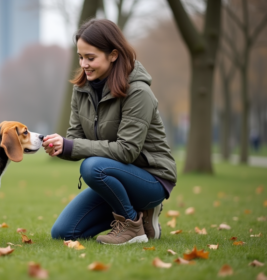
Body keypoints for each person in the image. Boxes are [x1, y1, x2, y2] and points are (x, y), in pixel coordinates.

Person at [42, 19, 177, 245]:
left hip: (151, 179)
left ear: (113, 55)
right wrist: (61, 146)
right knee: (64, 232)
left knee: (91, 166)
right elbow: (76, 139)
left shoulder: (138, 91)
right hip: (111, 178)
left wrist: (72, 146)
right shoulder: (81, 89)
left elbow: (127, 151)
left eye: (90, 57)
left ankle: (133, 224)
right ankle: (140, 217)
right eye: (80, 57)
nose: (84, 64)